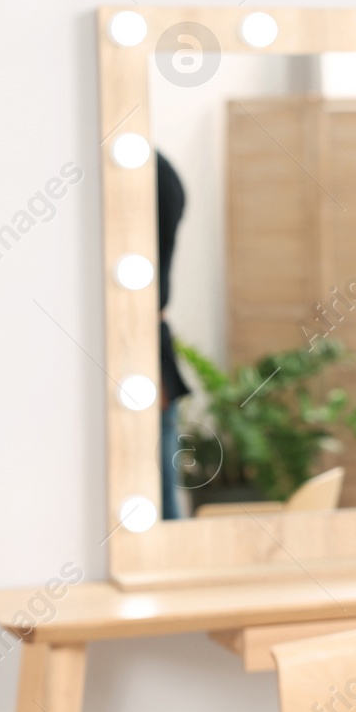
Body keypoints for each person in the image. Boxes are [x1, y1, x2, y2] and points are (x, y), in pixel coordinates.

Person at [156, 152, 191, 520]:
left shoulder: (155, 173)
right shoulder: (161, 172)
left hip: (148, 343)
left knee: (160, 487)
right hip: (151, 336)